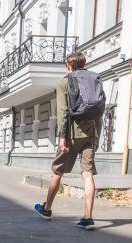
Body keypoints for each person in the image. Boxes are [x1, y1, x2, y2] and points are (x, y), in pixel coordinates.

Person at [34, 51, 104, 230]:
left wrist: (62, 138)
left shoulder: (64, 82)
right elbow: (100, 111)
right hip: (91, 133)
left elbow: (63, 113)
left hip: (72, 134)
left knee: (58, 172)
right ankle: (88, 218)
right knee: (87, 174)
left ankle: (47, 209)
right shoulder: (94, 79)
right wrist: (97, 137)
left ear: (69, 66)